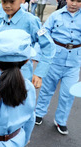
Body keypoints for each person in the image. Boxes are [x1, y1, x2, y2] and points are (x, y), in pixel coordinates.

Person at [35, 0, 81, 135]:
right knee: (47, 89)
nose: (74, 4)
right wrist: (37, 56)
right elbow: (43, 34)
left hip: (74, 62)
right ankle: (39, 113)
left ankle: (61, 120)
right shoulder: (55, 15)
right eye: (72, 0)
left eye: (79, 1)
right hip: (54, 59)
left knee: (68, 93)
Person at [0, 0, 56, 89]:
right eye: (4, 2)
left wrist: (39, 73)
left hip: (20, 76)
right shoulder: (3, 21)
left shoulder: (31, 20)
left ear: (22, 0)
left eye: (12, 2)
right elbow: (1, 50)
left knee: (18, 101)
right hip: (1, 75)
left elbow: (49, 46)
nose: (7, 5)